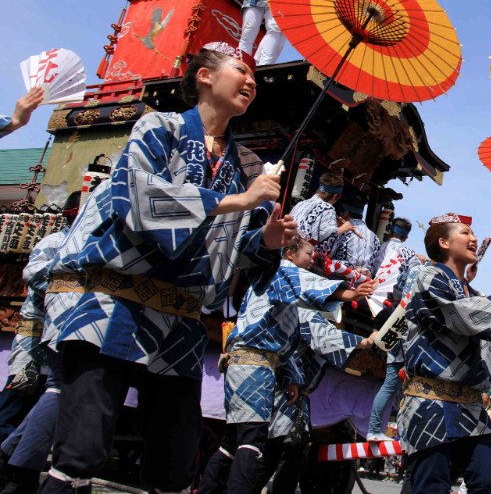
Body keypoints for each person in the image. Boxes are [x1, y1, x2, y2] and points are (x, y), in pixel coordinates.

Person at [35, 42, 298, 493]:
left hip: (180, 322)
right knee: (81, 451)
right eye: (241, 69)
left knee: (176, 465)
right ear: (204, 76)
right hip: (112, 303)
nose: (251, 81)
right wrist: (238, 200)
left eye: (254, 75)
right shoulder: (160, 127)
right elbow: (136, 202)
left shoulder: (243, 165)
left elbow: (232, 249)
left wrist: (267, 242)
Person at [199, 235, 376, 493]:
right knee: (254, 442)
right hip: (254, 364)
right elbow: (320, 334)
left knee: (234, 442)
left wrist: (291, 377)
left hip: (260, 367)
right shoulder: (282, 272)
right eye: (308, 255)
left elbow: (294, 341)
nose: (311, 261)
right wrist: (351, 296)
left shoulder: (287, 297)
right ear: (290, 253)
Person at [396, 213, 491, 494]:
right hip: (431, 402)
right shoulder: (428, 277)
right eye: (465, 233)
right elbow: (457, 316)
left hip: (472, 408)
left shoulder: (473, 293)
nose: (473, 239)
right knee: (432, 486)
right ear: (443, 242)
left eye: (472, 234)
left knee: (488, 482)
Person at [0, 193, 80, 492]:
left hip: (60, 336)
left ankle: (14, 462)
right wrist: (74, 278)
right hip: (36, 337)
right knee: (16, 398)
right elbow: (32, 273)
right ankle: (8, 459)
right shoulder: (56, 242)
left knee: (42, 406)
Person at [366, 218, 423, 442]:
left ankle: (376, 429)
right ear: (407, 236)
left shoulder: (378, 247)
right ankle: (399, 433)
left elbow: (370, 267)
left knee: (392, 383)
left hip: (378, 303)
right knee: (399, 384)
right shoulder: (413, 258)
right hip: (399, 316)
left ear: (389, 230)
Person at [289, 172, 351, 257]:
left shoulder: (301, 204)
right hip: (301, 256)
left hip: (287, 250)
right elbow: (326, 247)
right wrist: (341, 230)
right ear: (335, 196)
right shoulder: (328, 209)